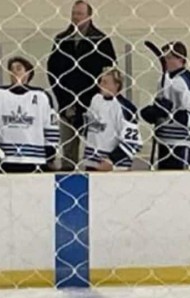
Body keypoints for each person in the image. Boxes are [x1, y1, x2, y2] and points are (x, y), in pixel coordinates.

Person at [47, 0, 116, 171]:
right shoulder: (62, 39)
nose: (76, 17)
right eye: (74, 13)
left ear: (89, 16)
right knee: (68, 152)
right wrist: (65, 102)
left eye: (80, 14)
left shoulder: (101, 40)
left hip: (93, 105)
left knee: (96, 148)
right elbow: (52, 71)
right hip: (67, 103)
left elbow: (109, 71)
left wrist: (94, 100)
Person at [140, 41, 190, 170]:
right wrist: (155, 112)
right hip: (164, 139)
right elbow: (160, 104)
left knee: (180, 181)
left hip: (182, 140)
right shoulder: (163, 79)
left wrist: (170, 112)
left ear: (180, 59)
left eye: (168, 57)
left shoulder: (187, 79)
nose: (165, 61)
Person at [0, 56, 59, 173]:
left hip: (34, 158)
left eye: (18, 68)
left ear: (28, 73)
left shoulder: (41, 96)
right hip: (4, 159)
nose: (14, 72)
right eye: (11, 69)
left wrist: (50, 153)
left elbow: (51, 126)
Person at [82, 67, 142, 171]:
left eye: (105, 82)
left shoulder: (125, 108)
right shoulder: (96, 100)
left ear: (116, 85)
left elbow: (133, 142)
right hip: (92, 162)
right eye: (100, 81)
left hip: (114, 167)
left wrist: (111, 160)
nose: (100, 85)